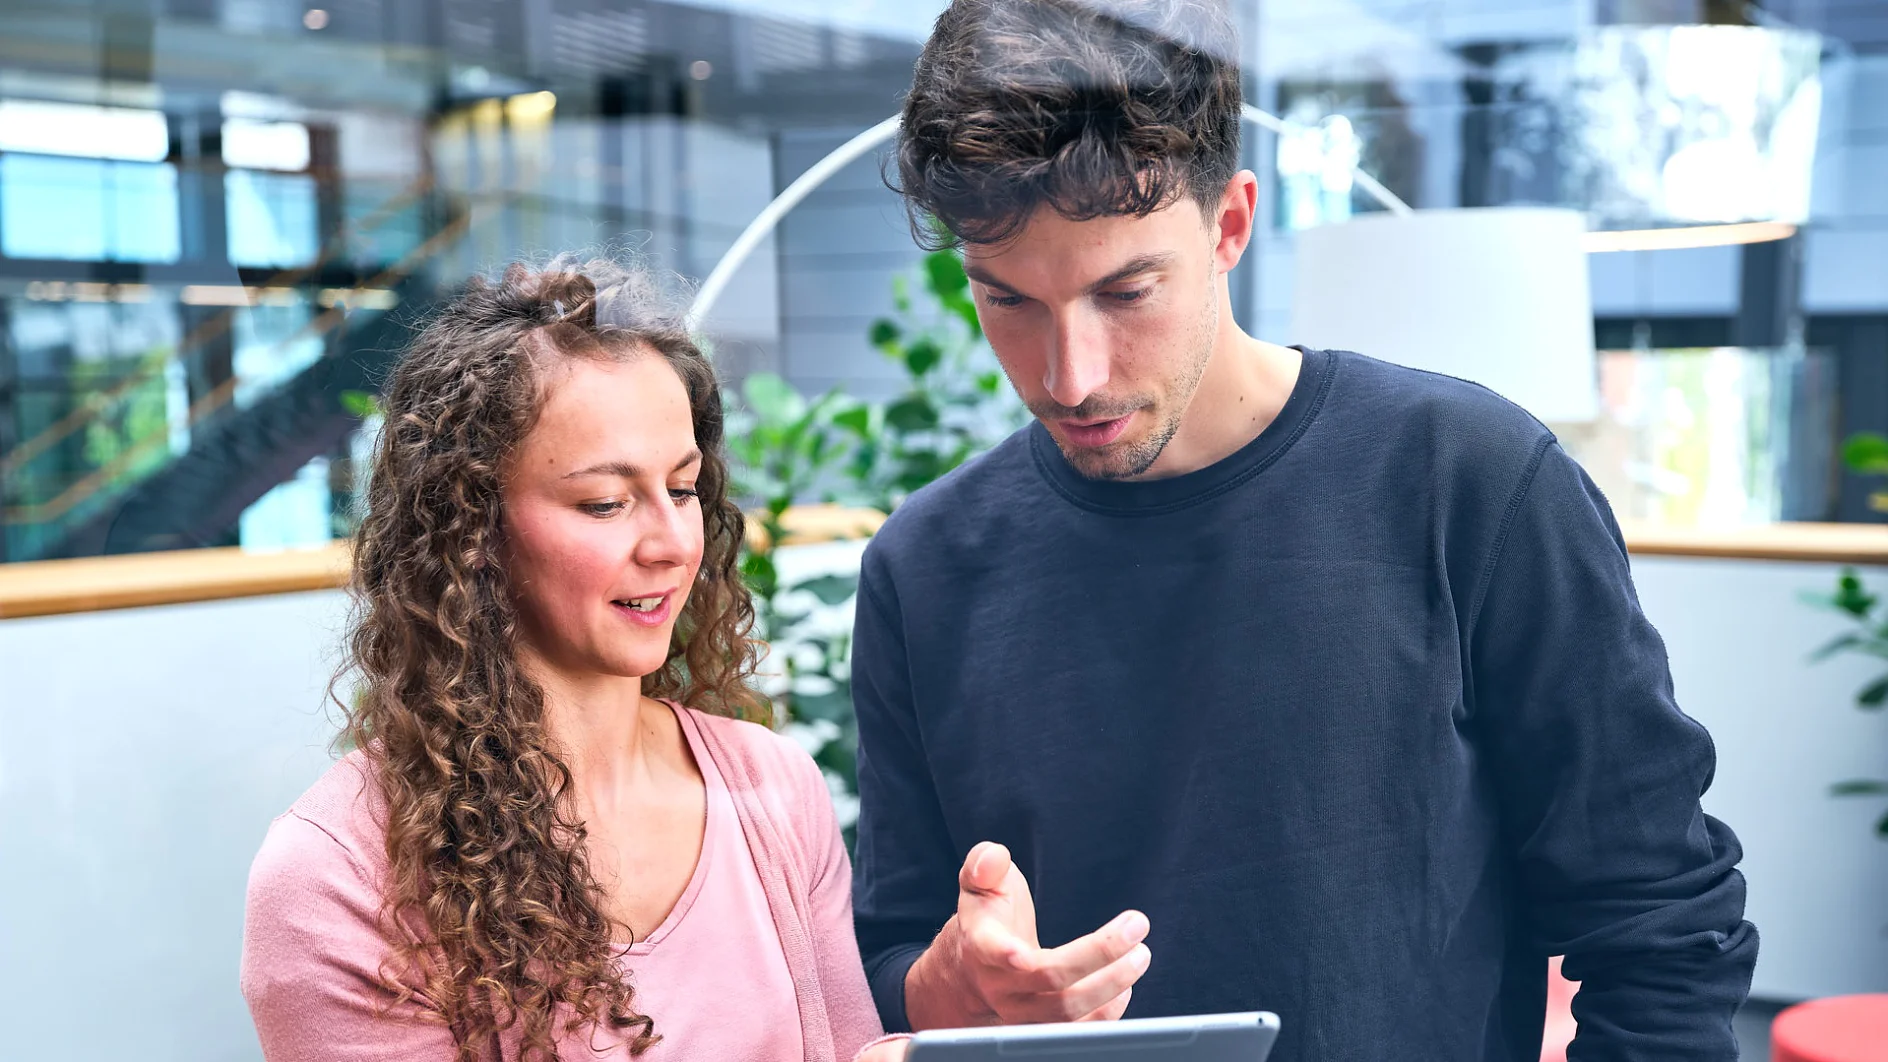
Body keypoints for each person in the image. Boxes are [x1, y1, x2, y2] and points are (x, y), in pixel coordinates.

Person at [850, 2, 1758, 1059]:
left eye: (1125, 291)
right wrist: (948, 983)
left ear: (1230, 225)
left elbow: (1658, 923)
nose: (1070, 375)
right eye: (1005, 301)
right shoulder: (923, 566)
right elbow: (886, 956)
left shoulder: (1469, 481)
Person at [240, 259, 900, 1062]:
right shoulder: (336, 877)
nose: (671, 544)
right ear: (471, 529)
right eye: (605, 503)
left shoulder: (772, 791)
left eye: (685, 490)